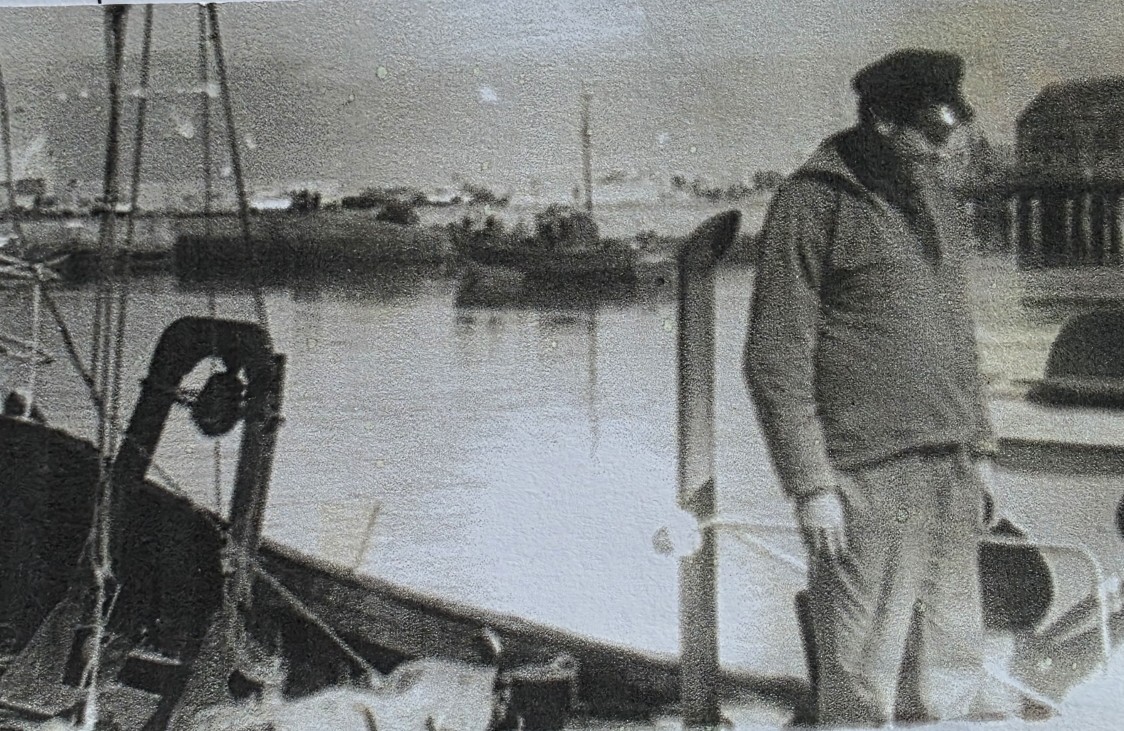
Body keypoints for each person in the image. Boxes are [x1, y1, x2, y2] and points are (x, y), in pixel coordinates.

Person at [744, 48, 1003, 726]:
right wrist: (812, 485)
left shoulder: (935, 201)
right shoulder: (810, 204)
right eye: (934, 133)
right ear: (883, 121)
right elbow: (776, 358)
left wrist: (978, 446)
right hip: (863, 478)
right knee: (861, 672)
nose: (946, 151)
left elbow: (957, 334)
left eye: (953, 132)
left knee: (953, 657)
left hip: (949, 468)